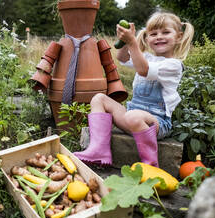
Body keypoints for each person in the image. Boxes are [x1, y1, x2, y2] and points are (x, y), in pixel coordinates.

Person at [74, 12, 194, 167]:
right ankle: (99, 151)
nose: (159, 37)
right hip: (130, 117)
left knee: (133, 117)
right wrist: (124, 41)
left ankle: (150, 165)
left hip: (155, 124)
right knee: (99, 99)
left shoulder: (174, 65)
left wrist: (132, 43)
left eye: (166, 32)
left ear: (178, 36)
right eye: (153, 34)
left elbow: (144, 70)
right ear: (146, 38)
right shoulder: (146, 57)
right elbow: (122, 58)